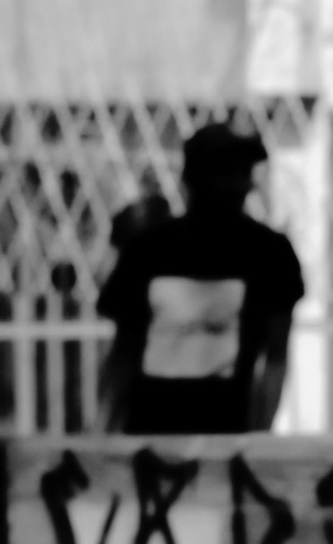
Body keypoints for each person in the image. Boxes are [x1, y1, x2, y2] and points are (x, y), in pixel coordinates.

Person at [99, 122, 303, 436]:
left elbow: (276, 356)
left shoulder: (268, 254)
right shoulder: (148, 252)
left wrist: (258, 437)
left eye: (239, 172)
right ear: (192, 178)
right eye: (223, 171)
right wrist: (108, 433)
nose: (232, 184)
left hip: (225, 437)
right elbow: (123, 354)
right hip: (150, 436)